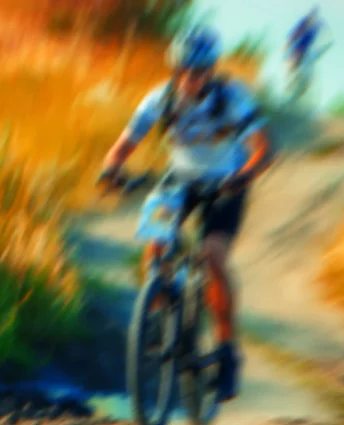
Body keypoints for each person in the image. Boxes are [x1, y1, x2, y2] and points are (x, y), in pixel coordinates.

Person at [97, 25, 274, 404]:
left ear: (212, 70)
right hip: (179, 179)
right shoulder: (160, 99)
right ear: (176, 70)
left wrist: (241, 176)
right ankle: (160, 314)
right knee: (154, 244)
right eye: (186, 71)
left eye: (200, 71)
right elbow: (124, 145)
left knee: (212, 255)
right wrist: (111, 168)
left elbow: (264, 149)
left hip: (227, 182)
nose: (193, 78)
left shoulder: (233, 97)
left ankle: (227, 351)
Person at [286, 6, 327, 72]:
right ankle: (294, 65)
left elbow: (295, 33)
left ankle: (295, 65)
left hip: (302, 48)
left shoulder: (313, 26)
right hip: (301, 48)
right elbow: (295, 33)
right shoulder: (306, 23)